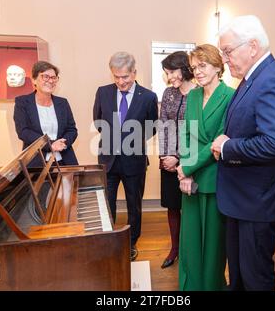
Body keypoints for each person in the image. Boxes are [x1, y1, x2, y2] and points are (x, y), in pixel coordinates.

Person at [212, 15, 275, 291]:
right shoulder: (254, 77)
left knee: (255, 277)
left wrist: (227, 147)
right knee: (238, 274)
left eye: (227, 51)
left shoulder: (273, 79)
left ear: (251, 46)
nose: (225, 59)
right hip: (243, 199)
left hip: (257, 201)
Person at [176, 44, 234, 290]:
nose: (197, 72)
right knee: (189, 241)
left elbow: (218, 142)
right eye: (194, 67)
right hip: (190, 179)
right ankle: (190, 286)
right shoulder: (193, 96)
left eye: (203, 66)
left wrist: (186, 169)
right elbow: (186, 134)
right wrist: (186, 172)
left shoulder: (230, 96)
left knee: (212, 244)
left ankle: (211, 286)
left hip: (214, 178)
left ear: (218, 67)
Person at [93, 52, 158, 261]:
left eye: (125, 77)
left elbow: (152, 127)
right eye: (116, 77)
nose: (121, 82)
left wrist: (130, 140)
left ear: (134, 73)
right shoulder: (103, 92)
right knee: (107, 205)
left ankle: (131, 243)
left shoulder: (148, 97)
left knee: (134, 206)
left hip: (134, 161)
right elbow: (98, 121)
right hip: (108, 160)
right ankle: (109, 242)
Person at [158, 51, 196, 269]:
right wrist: (166, 157)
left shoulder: (200, 93)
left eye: (171, 71)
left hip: (191, 163)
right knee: (172, 207)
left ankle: (190, 252)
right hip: (168, 163)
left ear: (184, 68)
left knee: (190, 209)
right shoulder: (169, 93)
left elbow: (197, 133)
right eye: (166, 72)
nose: (169, 76)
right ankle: (175, 248)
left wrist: (179, 158)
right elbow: (164, 126)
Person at [14, 61, 78, 167]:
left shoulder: (62, 103)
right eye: (46, 77)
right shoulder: (23, 102)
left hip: (64, 161)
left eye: (54, 77)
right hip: (36, 163)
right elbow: (23, 132)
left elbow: (72, 130)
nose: (51, 81)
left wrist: (63, 143)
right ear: (34, 80)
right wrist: (50, 144)